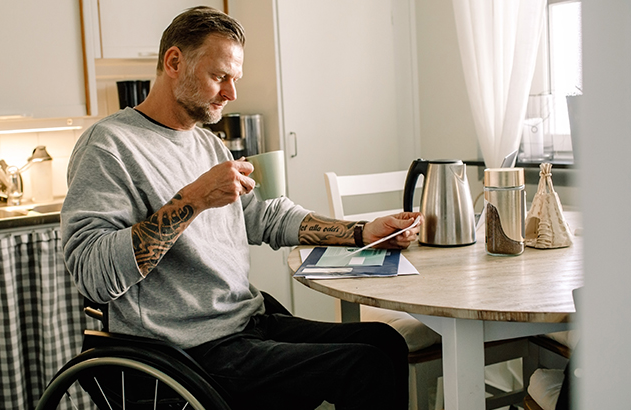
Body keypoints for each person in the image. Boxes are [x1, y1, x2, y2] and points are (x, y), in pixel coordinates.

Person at [61, 6, 422, 410]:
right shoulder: (109, 145)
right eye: (220, 77)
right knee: (364, 366)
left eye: (235, 79)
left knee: (384, 341)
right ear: (175, 61)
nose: (231, 93)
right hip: (186, 349)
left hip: (244, 323)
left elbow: (265, 216)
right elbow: (92, 273)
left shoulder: (207, 144)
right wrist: (193, 199)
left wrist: (361, 231)